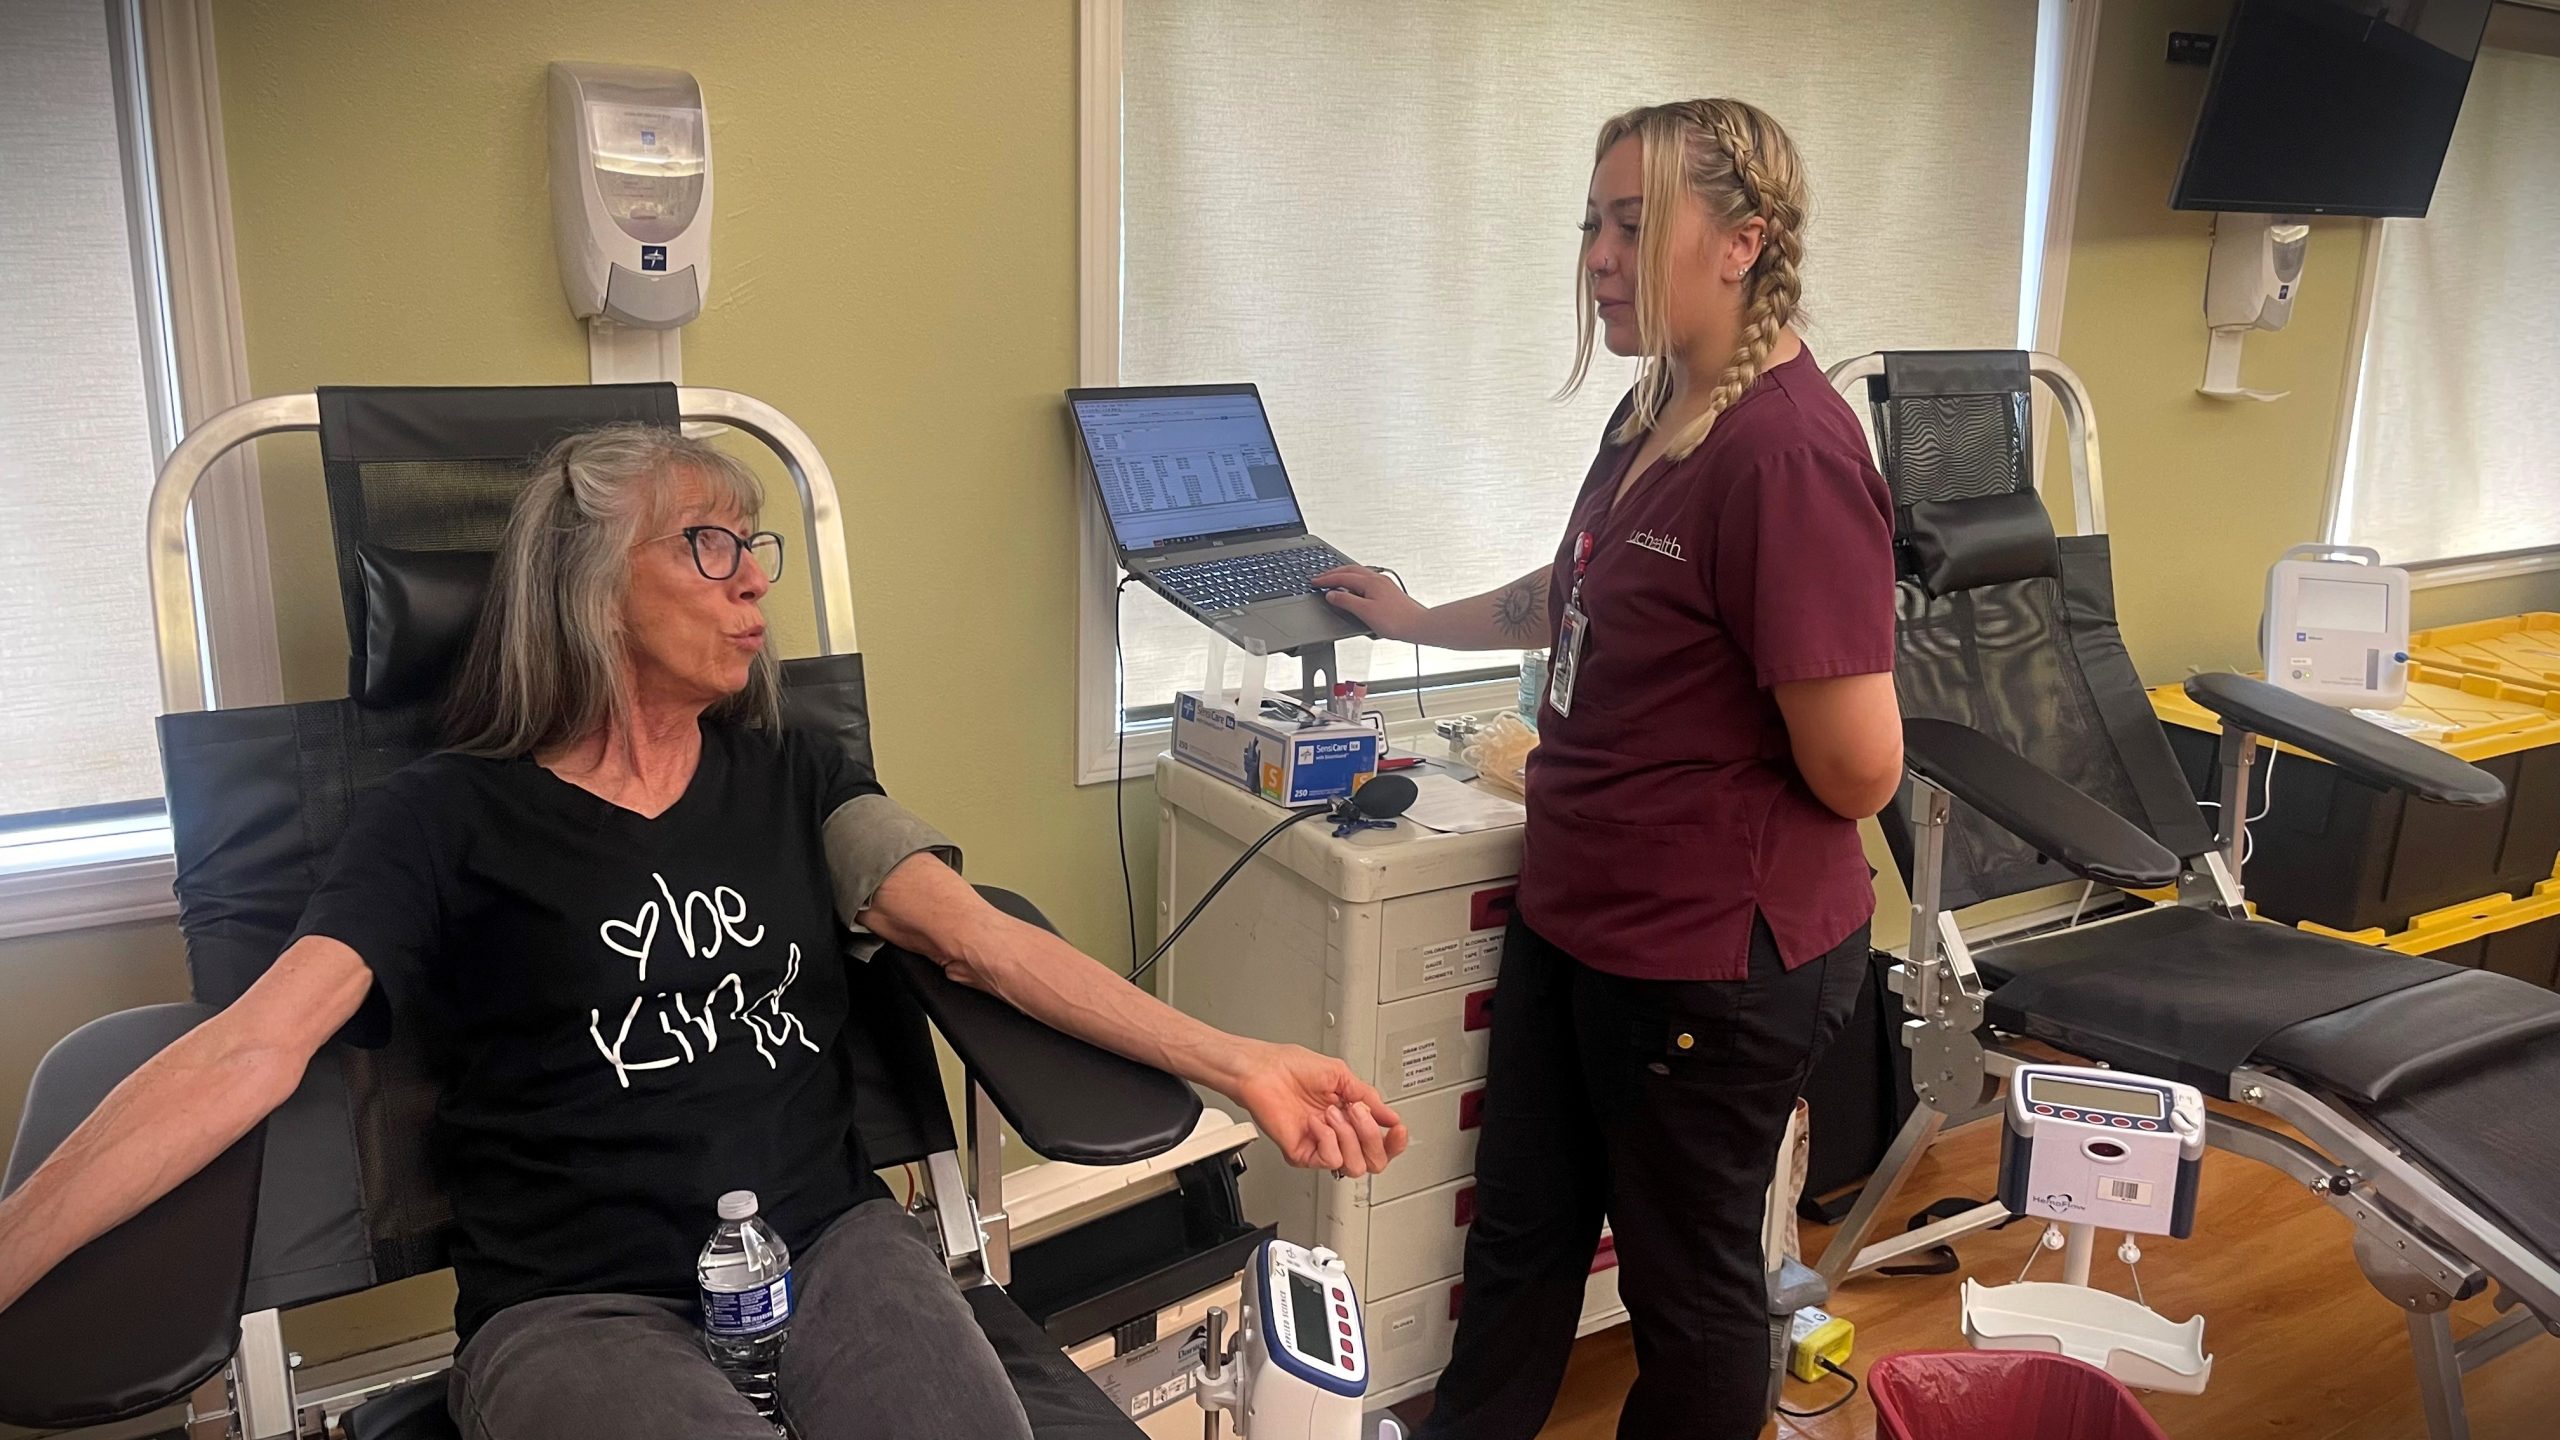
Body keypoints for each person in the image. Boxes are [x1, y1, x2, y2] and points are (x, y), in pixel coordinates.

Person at [0, 425, 1408, 1440]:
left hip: (838, 1249)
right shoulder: (441, 821)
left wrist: (1241, 1061)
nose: (755, 582)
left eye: (758, 545)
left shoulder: (792, 774)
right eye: (711, 543)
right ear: (592, 581)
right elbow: (253, 1049)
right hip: (572, 1306)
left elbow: (979, 942)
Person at [1315, 99, 1901, 1439]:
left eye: (1633, 225)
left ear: (1742, 242)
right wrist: (1414, 619)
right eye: (1591, 223)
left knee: (1688, 1298)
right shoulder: (1657, 415)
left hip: (1706, 960)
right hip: (1580, 918)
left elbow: (1861, 770)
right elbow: (1576, 591)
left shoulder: (1789, 456)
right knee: (1518, 1238)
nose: (1596, 256)